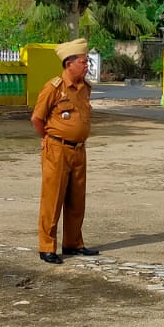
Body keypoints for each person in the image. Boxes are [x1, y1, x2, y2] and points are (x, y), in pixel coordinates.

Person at [31, 39, 100, 264]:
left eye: (86, 61)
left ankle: (73, 243)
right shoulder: (53, 88)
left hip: (79, 150)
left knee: (76, 199)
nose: (86, 65)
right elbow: (37, 118)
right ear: (69, 63)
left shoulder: (85, 89)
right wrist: (50, 139)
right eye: (83, 61)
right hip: (57, 148)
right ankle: (46, 247)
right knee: (53, 198)